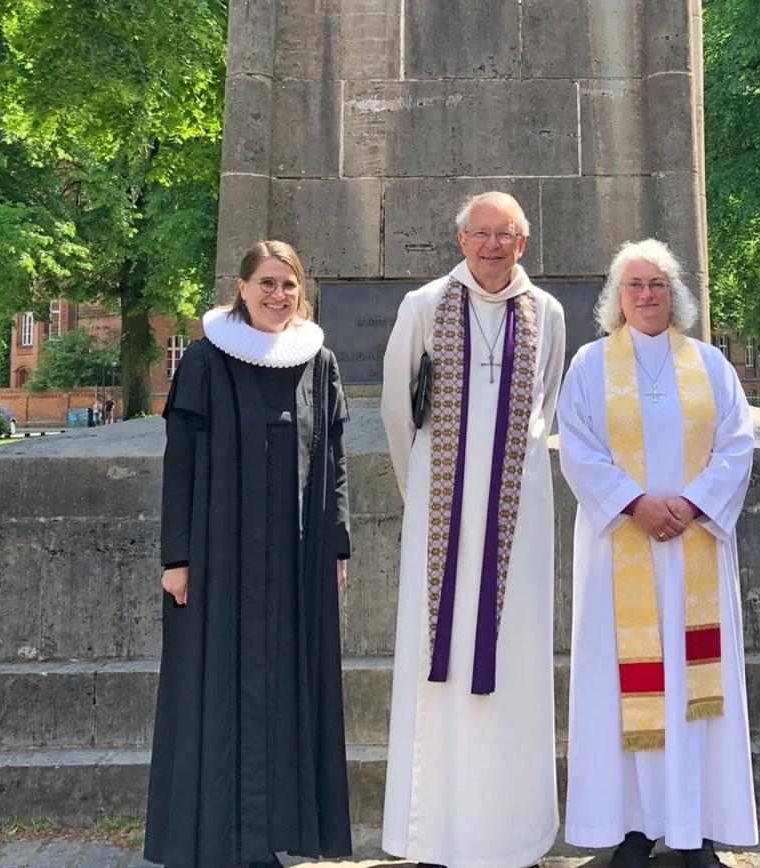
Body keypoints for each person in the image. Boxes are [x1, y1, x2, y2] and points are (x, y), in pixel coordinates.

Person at [146, 241, 352, 868]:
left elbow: (335, 462)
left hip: (295, 558)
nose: (276, 295)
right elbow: (180, 464)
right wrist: (176, 557)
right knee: (219, 687)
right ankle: (221, 842)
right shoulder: (207, 361)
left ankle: (275, 835)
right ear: (241, 288)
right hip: (218, 559)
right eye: (265, 283)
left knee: (289, 687)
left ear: (301, 291)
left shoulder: (319, 362)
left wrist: (337, 546)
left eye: (288, 285)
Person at [379, 192, 567, 868]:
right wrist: (427, 495)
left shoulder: (547, 312)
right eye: (480, 233)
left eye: (506, 234)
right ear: (460, 239)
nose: (492, 246)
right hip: (442, 521)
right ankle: (435, 834)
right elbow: (400, 412)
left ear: (524, 240)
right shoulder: (424, 306)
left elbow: (544, 405)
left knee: (512, 662)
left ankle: (510, 834)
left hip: (519, 517)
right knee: (440, 665)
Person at [557, 240, 758, 868]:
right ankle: (634, 828)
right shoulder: (590, 365)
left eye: (659, 284)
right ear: (617, 297)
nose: (647, 295)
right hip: (623, 551)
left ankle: (693, 831)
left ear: (677, 295)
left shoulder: (710, 365)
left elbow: (737, 443)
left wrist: (694, 504)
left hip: (694, 545)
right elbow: (579, 448)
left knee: (697, 691)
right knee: (624, 691)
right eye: (635, 284)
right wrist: (635, 503)